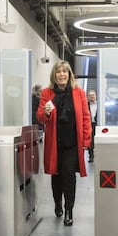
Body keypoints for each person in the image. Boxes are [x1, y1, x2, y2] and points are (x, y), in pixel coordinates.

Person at [36, 61, 91, 226]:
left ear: (69, 75)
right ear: (54, 75)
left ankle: (69, 210)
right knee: (56, 176)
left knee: (69, 176)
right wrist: (45, 114)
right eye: (59, 72)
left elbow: (86, 117)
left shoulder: (79, 93)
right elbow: (39, 116)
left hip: (72, 143)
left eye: (64, 72)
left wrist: (87, 140)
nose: (61, 75)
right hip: (54, 143)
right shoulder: (47, 93)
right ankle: (58, 203)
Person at [87, 89, 97, 162]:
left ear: (95, 96)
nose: (92, 97)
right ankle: (91, 156)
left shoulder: (100, 105)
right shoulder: (86, 105)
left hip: (98, 125)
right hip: (89, 124)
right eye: (90, 95)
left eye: (93, 95)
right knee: (90, 141)